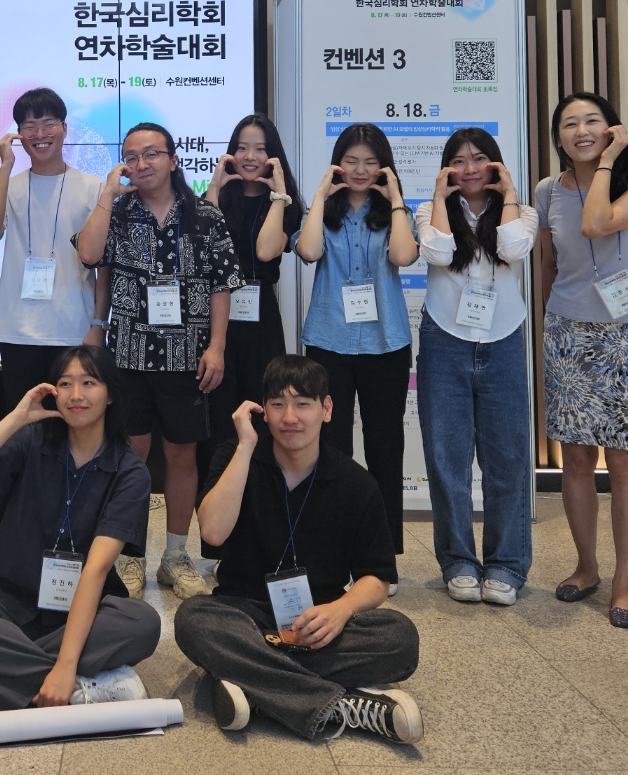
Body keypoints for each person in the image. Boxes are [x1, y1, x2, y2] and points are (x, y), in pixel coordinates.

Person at [173, 355, 422, 743]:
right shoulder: (235, 456)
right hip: (245, 615)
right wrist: (245, 446)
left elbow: (377, 579)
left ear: (326, 409)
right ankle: (340, 705)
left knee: (400, 638)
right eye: (278, 404)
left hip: (318, 621)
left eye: (303, 404)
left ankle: (251, 683)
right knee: (193, 619)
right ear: (263, 411)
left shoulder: (356, 483)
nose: (290, 417)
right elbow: (214, 533)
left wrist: (340, 611)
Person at [0, 345, 160, 708]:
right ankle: (82, 685)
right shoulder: (32, 441)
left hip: (84, 616)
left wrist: (65, 664)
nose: (76, 394)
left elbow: (97, 569)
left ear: (111, 394)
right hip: (10, 607)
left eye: (89, 383)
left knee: (142, 622)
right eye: (65, 383)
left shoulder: (130, 472)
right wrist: (16, 419)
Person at [76, 122, 243, 600]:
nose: (141, 163)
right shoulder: (118, 210)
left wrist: (216, 346)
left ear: (173, 159)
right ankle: (130, 556)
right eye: (131, 156)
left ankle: (174, 556)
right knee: (131, 455)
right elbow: (91, 257)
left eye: (151, 154)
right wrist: (108, 193)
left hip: (187, 354)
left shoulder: (205, 215)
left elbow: (221, 285)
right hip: (128, 351)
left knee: (181, 455)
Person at [534, 93, 628, 630]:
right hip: (567, 333)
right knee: (575, 459)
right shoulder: (547, 191)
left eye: (592, 121)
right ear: (558, 137)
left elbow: (597, 223)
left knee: (626, 462)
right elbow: (549, 263)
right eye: (569, 124)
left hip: (626, 336)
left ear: (613, 129)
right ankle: (586, 566)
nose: (581, 131)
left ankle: (625, 581)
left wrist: (608, 162)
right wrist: (554, 317)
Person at [415, 128, 537, 605]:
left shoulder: (522, 213)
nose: (469, 169)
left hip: (504, 340)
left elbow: (513, 249)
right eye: (459, 160)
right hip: (444, 340)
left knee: (507, 459)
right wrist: (439, 199)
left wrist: (509, 193)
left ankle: (507, 564)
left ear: (496, 164)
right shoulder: (429, 212)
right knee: (447, 458)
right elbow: (438, 254)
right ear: (446, 168)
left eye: (480, 159)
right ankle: (459, 561)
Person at [295, 123, 417, 588]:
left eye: (370, 162)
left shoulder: (396, 213)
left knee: (386, 448)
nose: (360, 170)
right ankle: (331, 556)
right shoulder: (324, 212)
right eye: (351, 161)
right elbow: (308, 252)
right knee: (330, 450)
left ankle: (381, 562)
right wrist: (321, 195)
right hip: (329, 341)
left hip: (386, 343)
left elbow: (403, 256)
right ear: (337, 164)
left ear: (384, 166)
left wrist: (397, 198)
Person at [0, 88, 109, 409]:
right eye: (30, 127)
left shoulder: (93, 188)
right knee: (23, 424)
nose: (40, 134)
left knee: (74, 421)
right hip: (17, 331)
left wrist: (98, 325)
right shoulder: (8, 185)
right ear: (18, 134)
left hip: (74, 330)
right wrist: (5, 166)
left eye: (48, 124)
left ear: (64, 128)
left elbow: (104, 268)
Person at [203, 113, 305, 484]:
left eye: (260, 149)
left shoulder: (286, 205)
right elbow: (205, 251)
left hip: (262, 318)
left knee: (264, 407)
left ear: (273, 156)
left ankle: (260, 492)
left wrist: (278, 196)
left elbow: (265, 251)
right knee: (218, 414)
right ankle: (218, 495)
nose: (250, 156)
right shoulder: (216, 200)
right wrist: (214, 188)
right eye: (242, 148)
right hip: (217, 316)